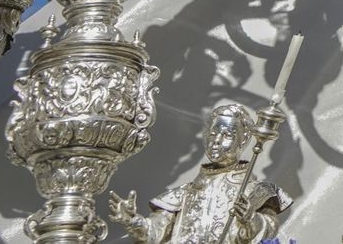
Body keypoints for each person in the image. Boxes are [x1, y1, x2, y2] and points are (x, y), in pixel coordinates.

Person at [108, 102, 290, 244]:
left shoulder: (256, 192)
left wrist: (250, 219)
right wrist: (134, 222)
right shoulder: (182, 194)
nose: (216, 141)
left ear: (243, 141)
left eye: (227, 135)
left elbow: (269, 231)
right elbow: (155, 234)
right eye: (213, 134)